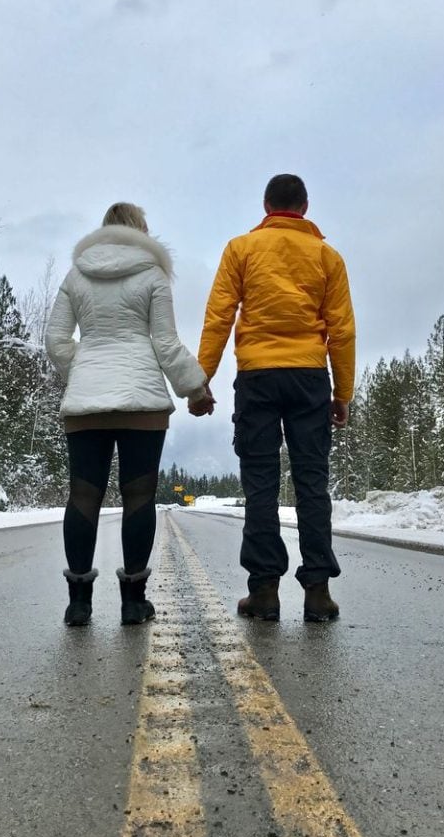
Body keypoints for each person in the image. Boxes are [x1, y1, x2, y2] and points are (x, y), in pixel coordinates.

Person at [195, 174, 355, 622]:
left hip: (258, 378)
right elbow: (341, 329)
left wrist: (201, 379)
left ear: (267, 207)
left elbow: (219, 316)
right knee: (311, 483)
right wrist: (342, 392)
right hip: (309, 378)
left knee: (261, 486)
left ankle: (264, 591)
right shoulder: (327, 256)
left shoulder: (241, 249)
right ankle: (318, 593)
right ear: (304, 207)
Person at [46, 202, 213, 627]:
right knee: (139, 494)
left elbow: (56, 340)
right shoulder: (152, 275)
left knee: (84, 493)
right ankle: (133, 603)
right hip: (142, 401)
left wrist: (81, 372)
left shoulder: (76, 275)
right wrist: (195, 388)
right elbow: (165, 343)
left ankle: (78, 603)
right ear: (141, 231)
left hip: (85, 403)